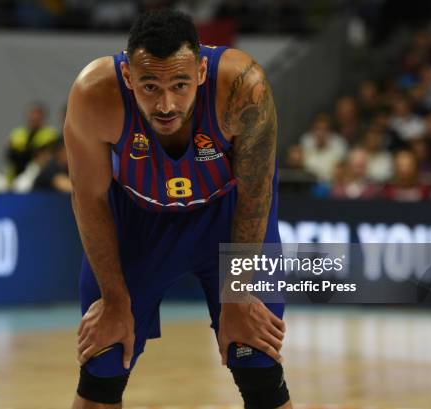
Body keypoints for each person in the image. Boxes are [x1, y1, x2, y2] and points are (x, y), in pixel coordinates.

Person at [65, 10, 290, 409]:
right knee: (102, 364)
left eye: (180, 84)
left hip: (230, 218)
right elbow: (90, 200)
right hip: (137, 222)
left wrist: (236, 297)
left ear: (202, 71)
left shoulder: (243, 85)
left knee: (257, 361)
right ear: (129, 78)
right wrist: (115, 301)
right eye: (150, 86)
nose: (166, 103)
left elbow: (257, 193)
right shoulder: (93, 93)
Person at [6, 102, 58, 180]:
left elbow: (44, 155)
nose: (34, 116)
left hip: (38, 175)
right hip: (14, 176)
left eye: (38, 113)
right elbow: (10, 154)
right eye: (32, 113)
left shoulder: (51, 133)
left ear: (43, 116)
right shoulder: (17, 133)